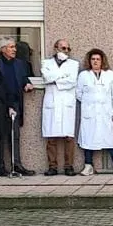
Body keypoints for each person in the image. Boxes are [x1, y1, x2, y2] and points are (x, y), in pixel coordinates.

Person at [76, 48, 113, 176]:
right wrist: (90, 102)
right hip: (90, 113)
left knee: (109, 139)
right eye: (93, 59)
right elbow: (78, 93)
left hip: (106, 113)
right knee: (88, 139)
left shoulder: (110, 75)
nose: (95, 61)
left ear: (102, 61)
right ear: (89, 61)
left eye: (98, 59)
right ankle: (88, 165)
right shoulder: (83, 75)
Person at [0, 36, 36, 177]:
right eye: (11, 47)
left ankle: (16, 165)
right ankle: (0, 166)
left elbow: (24, 78)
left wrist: (27, 84)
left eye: (14, 47)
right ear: (3, 49)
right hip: (0, 104)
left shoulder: (20, 64)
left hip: (16, 103)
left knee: (15, 135)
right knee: (0, 135)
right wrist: (6, 105)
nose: (14, 50)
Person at [41, 39, 80, 176]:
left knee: (68, 137)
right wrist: (62, 76)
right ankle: (52, 167)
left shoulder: (74, 64)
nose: (66, 51)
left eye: (68, 49)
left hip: (66, 103)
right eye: (63, 48)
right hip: (51, 102)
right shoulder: (46, 63)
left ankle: (69, 166)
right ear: (56, 48)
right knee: (51, 137)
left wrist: (55, 80)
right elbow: (46, 78)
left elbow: (72, 81)